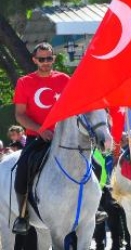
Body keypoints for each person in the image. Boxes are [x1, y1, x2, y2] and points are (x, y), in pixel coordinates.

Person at [11, 42, 70, 236]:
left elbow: (74, 108)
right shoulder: (24, 82)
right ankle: (23, 215)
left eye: (49, 58)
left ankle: (97, 207)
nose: (46, 62)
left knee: (92, 164)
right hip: (37, 138)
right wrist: (40, 129)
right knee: (22, 170)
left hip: (64, 138)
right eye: (41, 59)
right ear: (34, 60)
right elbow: (20, 115)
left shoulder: (65, 80)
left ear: (54, 58)